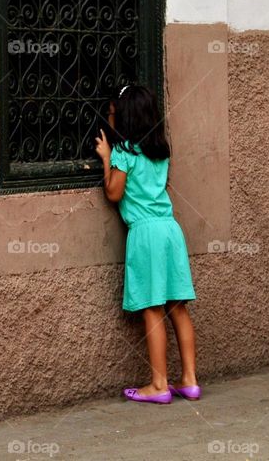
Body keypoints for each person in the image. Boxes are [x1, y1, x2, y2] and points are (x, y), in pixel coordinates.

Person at [94, 84, 200, 404]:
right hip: (170, 230)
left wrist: (105, 159)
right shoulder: (160, 151)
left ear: (124, 117)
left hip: (146, 234)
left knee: (152, 308)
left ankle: (159, 384)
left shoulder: (125, 152)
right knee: (178, 308)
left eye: (113, 114)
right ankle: (190, 381)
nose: (110, 119)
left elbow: (114, 193)